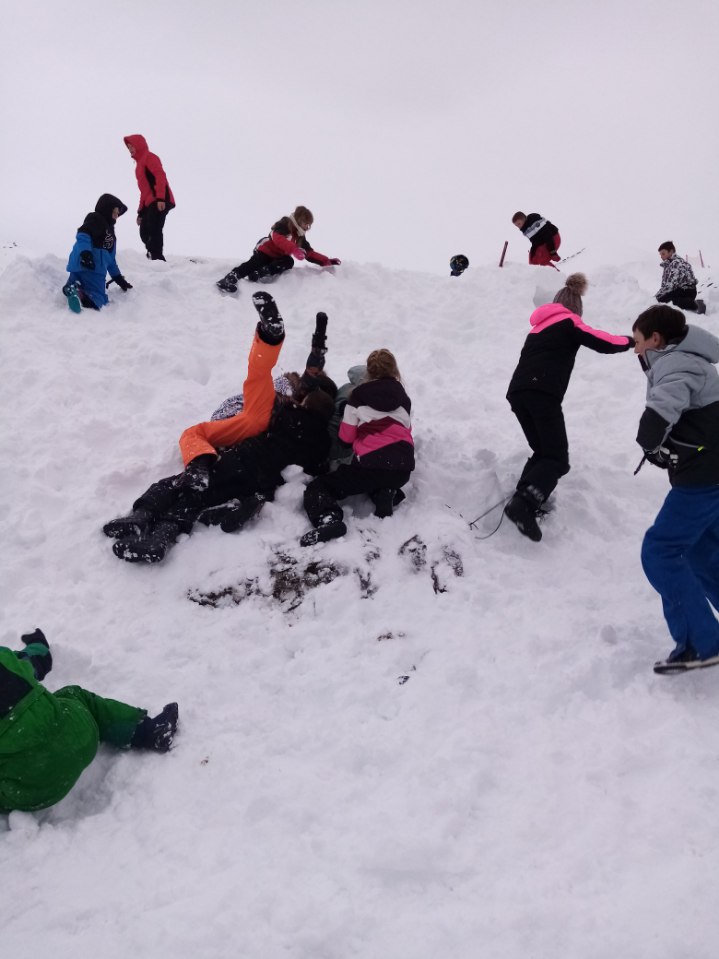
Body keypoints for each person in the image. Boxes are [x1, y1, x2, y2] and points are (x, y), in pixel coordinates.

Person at [504, 278, 633, 541]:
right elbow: (603, 341)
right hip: (543, 393)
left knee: (542, 450)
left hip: (518, 393)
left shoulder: (537, 328)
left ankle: (524, 498)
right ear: (576, 308)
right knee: (557, 458)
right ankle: (524, 502)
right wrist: (630, 341)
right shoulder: (569, 321)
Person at [0, 629, 178, 814]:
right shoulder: (5, 659)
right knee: (73, 695)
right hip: (79, 737)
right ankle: (147, 731)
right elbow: (38, 659)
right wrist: (38, 643)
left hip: (26, 788)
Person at [631, 305, 719, 674]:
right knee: (700, 551)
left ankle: (702, 642)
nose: (635, 349)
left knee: (661, 550)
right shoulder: (690, 359)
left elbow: (662, 409)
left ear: (655, 339)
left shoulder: (676, 363)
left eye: (638, 341)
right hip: (708, 474)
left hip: (703, 479)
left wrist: (650, 442)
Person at [300, 349, 414, 546]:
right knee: (379, 475)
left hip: (370, 467)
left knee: (319, 487)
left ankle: (329, 520)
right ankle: (386, 493)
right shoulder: (403, 399)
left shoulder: (358, 397)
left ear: (368, 372)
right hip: (402, 471)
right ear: (394, 371)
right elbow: (406, 430)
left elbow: (346, 438)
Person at [210, 312, 337, 421]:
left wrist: (319, 343)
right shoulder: (290, 397)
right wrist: (319, 343)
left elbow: (312, 371)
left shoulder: (289, 390)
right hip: (236, 417)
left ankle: (267, 338)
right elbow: (312, 373)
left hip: (230, 410)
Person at [216, 206, 341, 293]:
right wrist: (294, 249)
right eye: (306, 224)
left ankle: (259, 273)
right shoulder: (285, 223)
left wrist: (326, 261)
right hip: (266, 251)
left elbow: (309, 252)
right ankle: (228, 280)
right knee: (255, 262)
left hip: (278, 257)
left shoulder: (300, 236)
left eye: (309, 225)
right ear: (300, 220)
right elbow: (278, 238)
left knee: (289, 262)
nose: (308, 227)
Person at [62, 194, 133, 312]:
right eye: (115, 212)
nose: (117, 216)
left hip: (80, 265)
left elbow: (110, 260)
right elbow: (83, 234)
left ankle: (73, 287)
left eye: (118, 213)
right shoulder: (97, 220)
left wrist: (118, 278)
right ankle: (80, 294)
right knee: (99, 297)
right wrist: (86, 254)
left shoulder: (108, 231)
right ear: (107, 209)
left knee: (78, 282)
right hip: (93, 268)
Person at [124, 134, 175, 261]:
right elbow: (144, 191)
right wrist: (141, 212)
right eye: (128, 147)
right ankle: (152, 254)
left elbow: (160, 176)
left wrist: (160, 198)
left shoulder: (150, 157)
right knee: (144, 231)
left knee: (154, 226)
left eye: (131, 146)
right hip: (150, 202)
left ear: (138, 145)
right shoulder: (138, 167)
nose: (130, 149)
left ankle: (157, 257)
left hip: (160, 199)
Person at [655, 242, 706, 314]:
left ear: (671, 251)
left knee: (667, 301)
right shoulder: (668, 265)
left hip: (687, 291)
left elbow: (670, 286)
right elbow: (664, 285)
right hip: (679, 290)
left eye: (663, 254)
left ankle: (695, 305)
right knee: (661, 300)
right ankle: (685, 302)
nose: (661, 256)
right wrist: (658, 297)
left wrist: (656, 298)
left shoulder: (677, 263)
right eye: (660, 255)